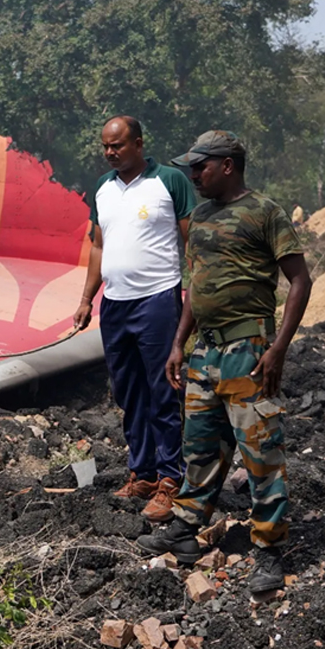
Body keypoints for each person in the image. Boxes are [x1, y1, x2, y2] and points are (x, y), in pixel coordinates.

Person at [137, 130, 312, 596]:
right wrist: (180, 342)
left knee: (260, 453)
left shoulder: (264, 212)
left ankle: (269, 548)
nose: (193, 175)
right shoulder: (202, 217)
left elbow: (299, 280)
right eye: (192, 168)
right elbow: (196, 286)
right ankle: (187, 528)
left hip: (248, 351)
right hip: (205, 353)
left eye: (201, 167)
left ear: (228, 165)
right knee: (201, 445)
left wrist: (278, 348)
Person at [72, 115, 195, 522]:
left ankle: (170, 478)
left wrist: (196, 290)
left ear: (139, 144)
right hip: (116, 304)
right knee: (128, 392)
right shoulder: (103, 190)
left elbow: (191, 238)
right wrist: (88, 298)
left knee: (163, 390)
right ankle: (141, 472)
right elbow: (97, 248)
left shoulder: (170, 182)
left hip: (157, 299)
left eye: (118, 145)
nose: (110, 153)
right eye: (105, 147)